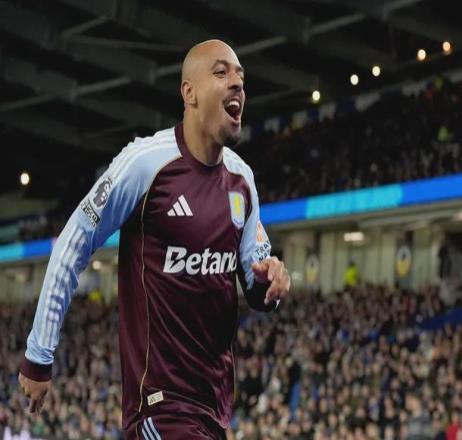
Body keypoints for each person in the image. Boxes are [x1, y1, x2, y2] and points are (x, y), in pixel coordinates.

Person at [18, 40, 291, 440]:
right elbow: (73, 243)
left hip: (214, 408)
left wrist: (273, 281)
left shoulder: (242, 180)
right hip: (158, 406)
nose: (237, 83)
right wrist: (39, 354)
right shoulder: (145, 163)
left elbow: (256, 284)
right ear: (189, 93)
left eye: (241, 77)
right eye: (221, 73)